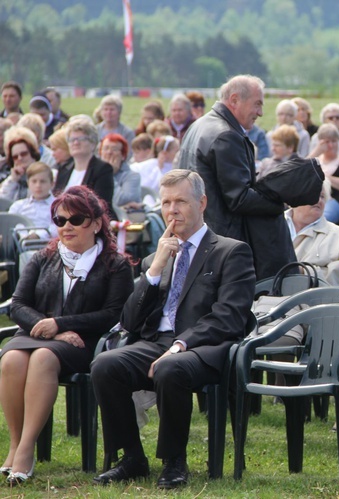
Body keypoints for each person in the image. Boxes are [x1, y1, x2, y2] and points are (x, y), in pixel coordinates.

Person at [91, 170, 255, 489]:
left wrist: (181, 344)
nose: (172, 210)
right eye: (166, 202)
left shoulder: (230, 251)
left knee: (170, 368)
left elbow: (229, 317)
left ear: (202, 203)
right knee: (105, 365)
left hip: (206, 346)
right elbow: (130, 321)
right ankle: (132, 458)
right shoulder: (160, 255)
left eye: (181, 201)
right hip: (157, 342)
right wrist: (154, 269)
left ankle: (173, 461)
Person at [0, 186, 133, 485]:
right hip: (39, 334)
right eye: (60, 220)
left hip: (86, 342)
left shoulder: (116, 265)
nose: (67, 226)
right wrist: (51, 327)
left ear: (97, 223)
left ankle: (25, 449)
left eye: (76, 219)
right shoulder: (41, 258)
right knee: (10, 359)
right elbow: (17, 305)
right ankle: (14, 443)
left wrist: (60, 324)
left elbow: (113, 314)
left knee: (43, 358)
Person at [177, 74, 293, 280]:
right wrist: (280, 200)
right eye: (257, 104)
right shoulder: (226, 135)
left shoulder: (199, 125)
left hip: (196, 233)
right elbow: (239, 198)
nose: (260, 112)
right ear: (234, 100)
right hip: (220, 240)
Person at [285, 182, 339, 286]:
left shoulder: (338, 236)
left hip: (310, 300)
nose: (318, 200)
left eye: (322, 196)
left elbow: (334, 280)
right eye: (312, 194)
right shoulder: (270, 226)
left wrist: (301, 271)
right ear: (293, 197)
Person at [54, 120, 115, 214]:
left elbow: (101, 205)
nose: (75, 143)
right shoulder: (64, 169)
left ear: (93, 143)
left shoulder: (102, 169)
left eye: (81, 139)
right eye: (71, 139)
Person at [8, 161, 57, 242]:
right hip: (20, 246)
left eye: (43, 181)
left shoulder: (58, 206)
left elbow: (58, 227)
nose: (38, 185)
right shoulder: (18, 206)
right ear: (28, 183)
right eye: (34, 181)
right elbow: (9, 225)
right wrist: (24, 236)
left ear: (52, 184)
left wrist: (38, 235)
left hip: (48, 246)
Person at [100, 133, 142, 209]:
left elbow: (120, 201)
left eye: (114, 149)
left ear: (123, 155)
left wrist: (108, 175)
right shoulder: (93, 174)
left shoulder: (132, 176)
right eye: (106, 148)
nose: (109, 152)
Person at [0, 127, 41, 201]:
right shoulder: (11, 179)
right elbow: (2, 202)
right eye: (15, 157)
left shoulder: (46, 173)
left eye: (24, 154)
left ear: (33, 153)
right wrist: (13, 180)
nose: (20, 158)